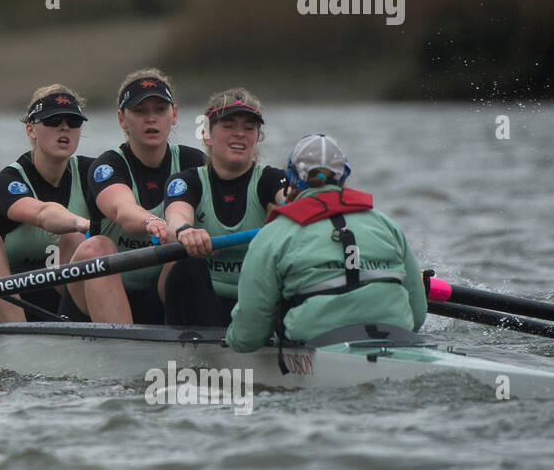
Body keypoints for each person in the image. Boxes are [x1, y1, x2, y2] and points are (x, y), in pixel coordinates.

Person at [227, 134, 427, 353]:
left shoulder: (273, 234)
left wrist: (230, 342)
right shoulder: (386, 223)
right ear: (344, 176)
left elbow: (248, 337)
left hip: (318, 345)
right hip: (397, 337)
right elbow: (417, 315)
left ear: (291, 177)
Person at [65, 69, 205, 324]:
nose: (150, 119)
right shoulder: (107, 166)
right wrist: (151, 222)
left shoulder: (195, 163)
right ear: (122, 119)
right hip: (95, 295)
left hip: (157, 293)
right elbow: (122, 210)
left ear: (174, 115)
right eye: (140, 111)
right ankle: (119, 350)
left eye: (160, 110)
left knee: (189, 250)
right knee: (98, 247)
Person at [0, 85, 109, 322]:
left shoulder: (94, 173)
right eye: (52, 120)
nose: (64, 127)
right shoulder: (7, 182)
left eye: (73, 121)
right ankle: (17, 342)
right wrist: (82, 222)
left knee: (76, 241)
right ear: (30, 129)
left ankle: (101, 335)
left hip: (59, 305)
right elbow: (42, 213)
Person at [161, 88, 287, 327]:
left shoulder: (273, 180)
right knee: (186, 267)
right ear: (206, 134)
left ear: (257, 137)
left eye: (249, 128)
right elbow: (175, 217)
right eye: (228, 125)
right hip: (203, 303)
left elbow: (294, 203)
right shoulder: (187, 181)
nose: (240, 133)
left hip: (255, 303)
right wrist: (186, 231)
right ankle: (194, 354)